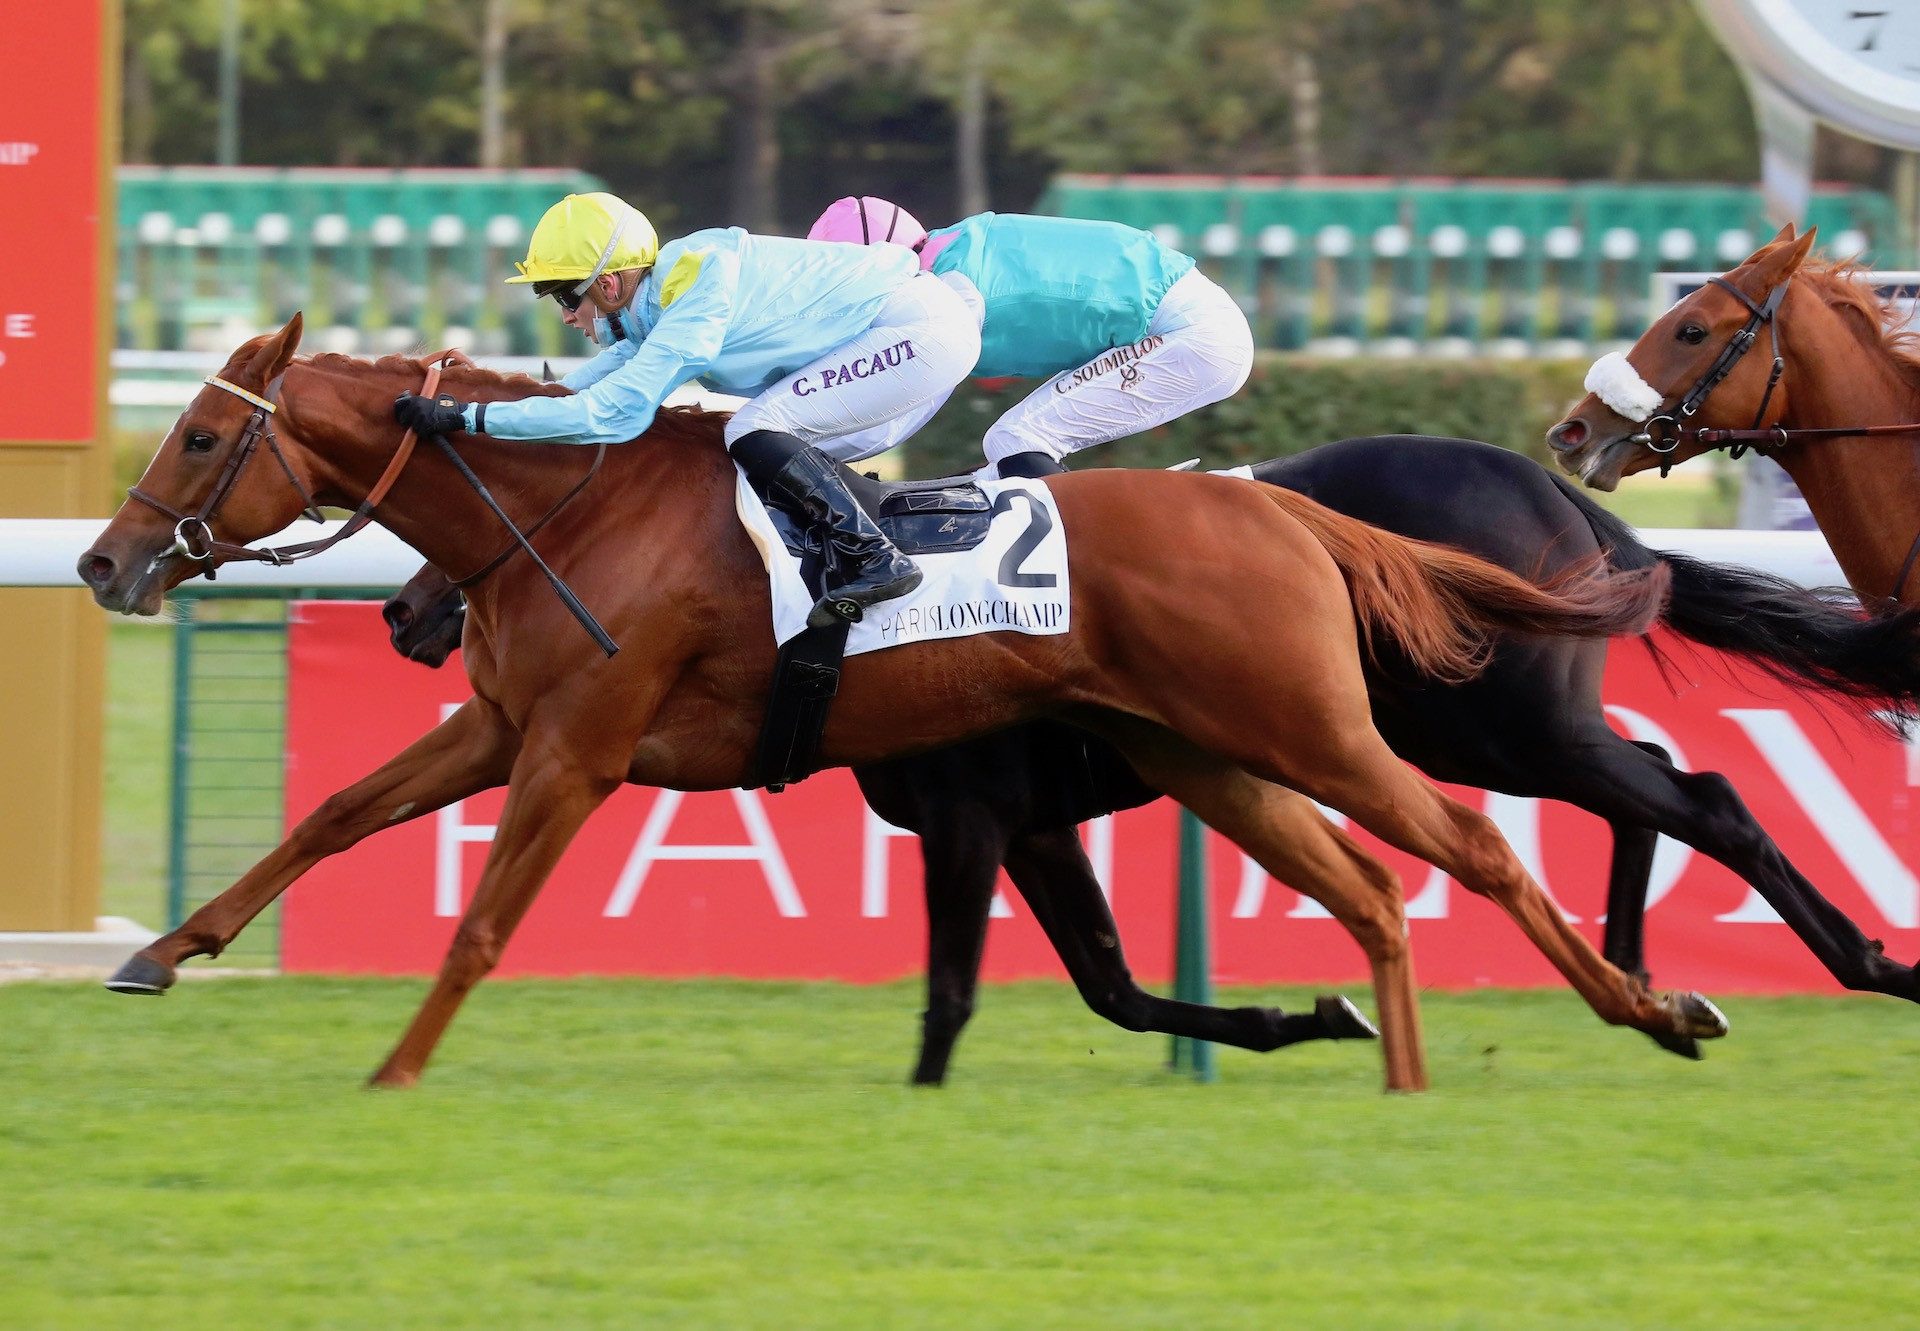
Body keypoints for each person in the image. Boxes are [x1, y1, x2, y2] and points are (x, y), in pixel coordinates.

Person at [393, 192, 981, 626]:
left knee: (752, 429)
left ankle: (877, 559)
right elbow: (569, 398)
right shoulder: (655, 308)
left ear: (613, 285)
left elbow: (610, 413)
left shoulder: (693, 290)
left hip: (917, 332)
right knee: (752, 457)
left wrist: (470, 418)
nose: (568, 317)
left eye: (566, 296)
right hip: (907, 336)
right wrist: (466, 403)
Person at [806, 198, 1255, 478]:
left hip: (1193, 336)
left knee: (1015, 440)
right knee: (1003, 457)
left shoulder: (950, 290)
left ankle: (1098, 557)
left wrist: (797, 450)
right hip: (1193, 320)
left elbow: (897, 414)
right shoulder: (959, 243)